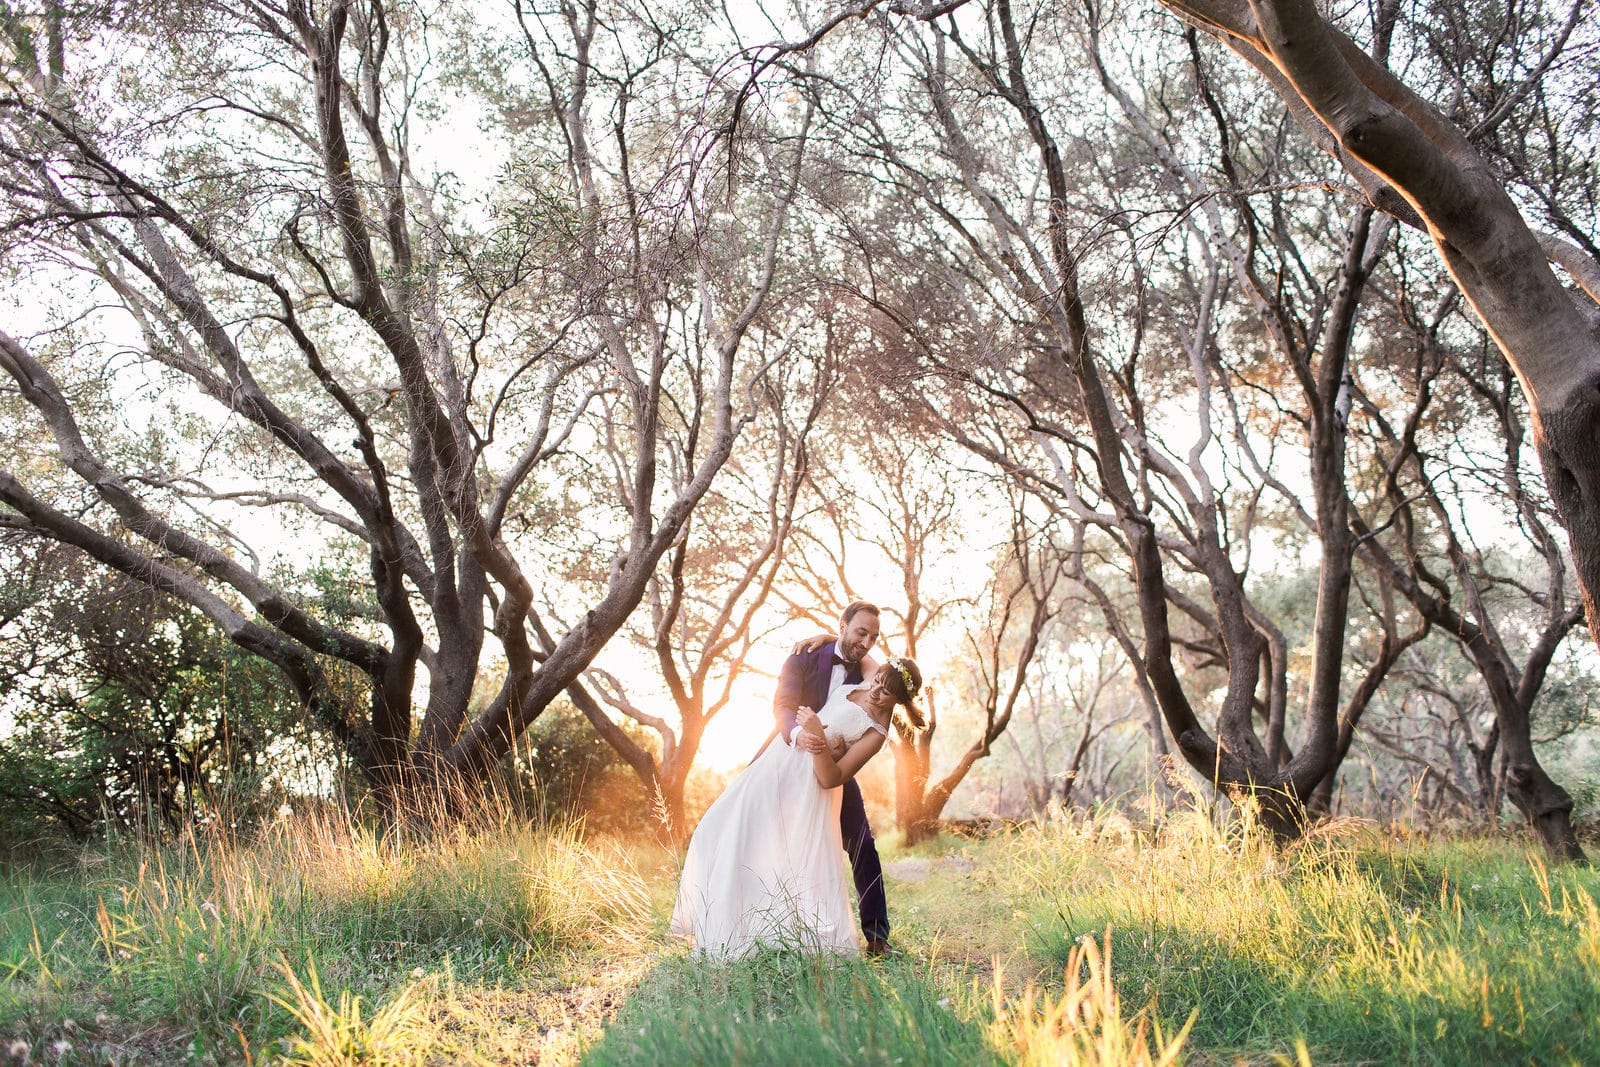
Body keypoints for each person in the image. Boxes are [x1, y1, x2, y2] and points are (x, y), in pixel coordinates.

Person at [669, 638, 924, 960]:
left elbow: (830, 778)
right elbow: (856, 646)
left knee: (839, 850)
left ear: (899, 699)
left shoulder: (876, 732)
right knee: (719, 829)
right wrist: (830, 637)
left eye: (886, 692)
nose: (876, 691)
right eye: (878, 682)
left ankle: (873, 937)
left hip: (809, 780)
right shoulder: (872, 677)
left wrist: (817, 735)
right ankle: (723, 922)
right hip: (779, 759)